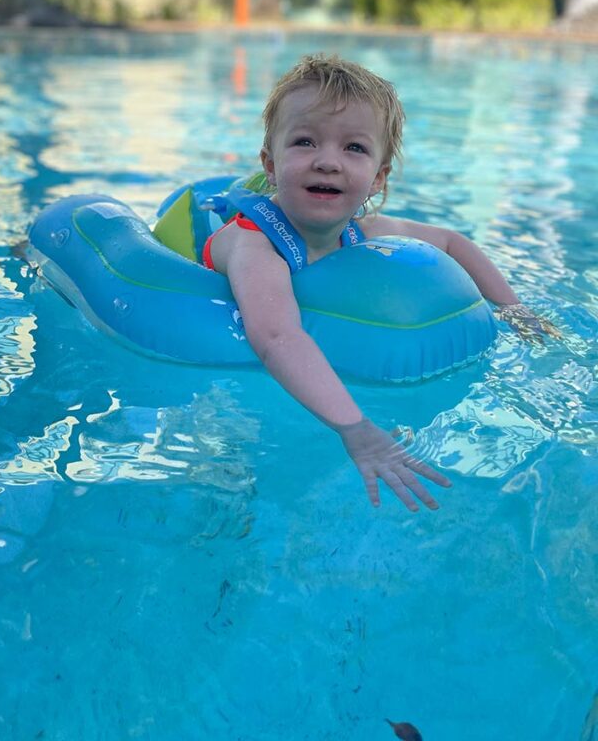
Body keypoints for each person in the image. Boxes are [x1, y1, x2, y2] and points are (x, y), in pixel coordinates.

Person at [202, 54, 559, 514]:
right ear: (270, 165)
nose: (327, 162)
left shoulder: (363, 229)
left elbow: (452, 242)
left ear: (378, 178)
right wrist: (356, 429)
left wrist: (514, 311)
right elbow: (276, 337)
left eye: (354, 148)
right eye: (305, 142)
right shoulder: (257, 248)